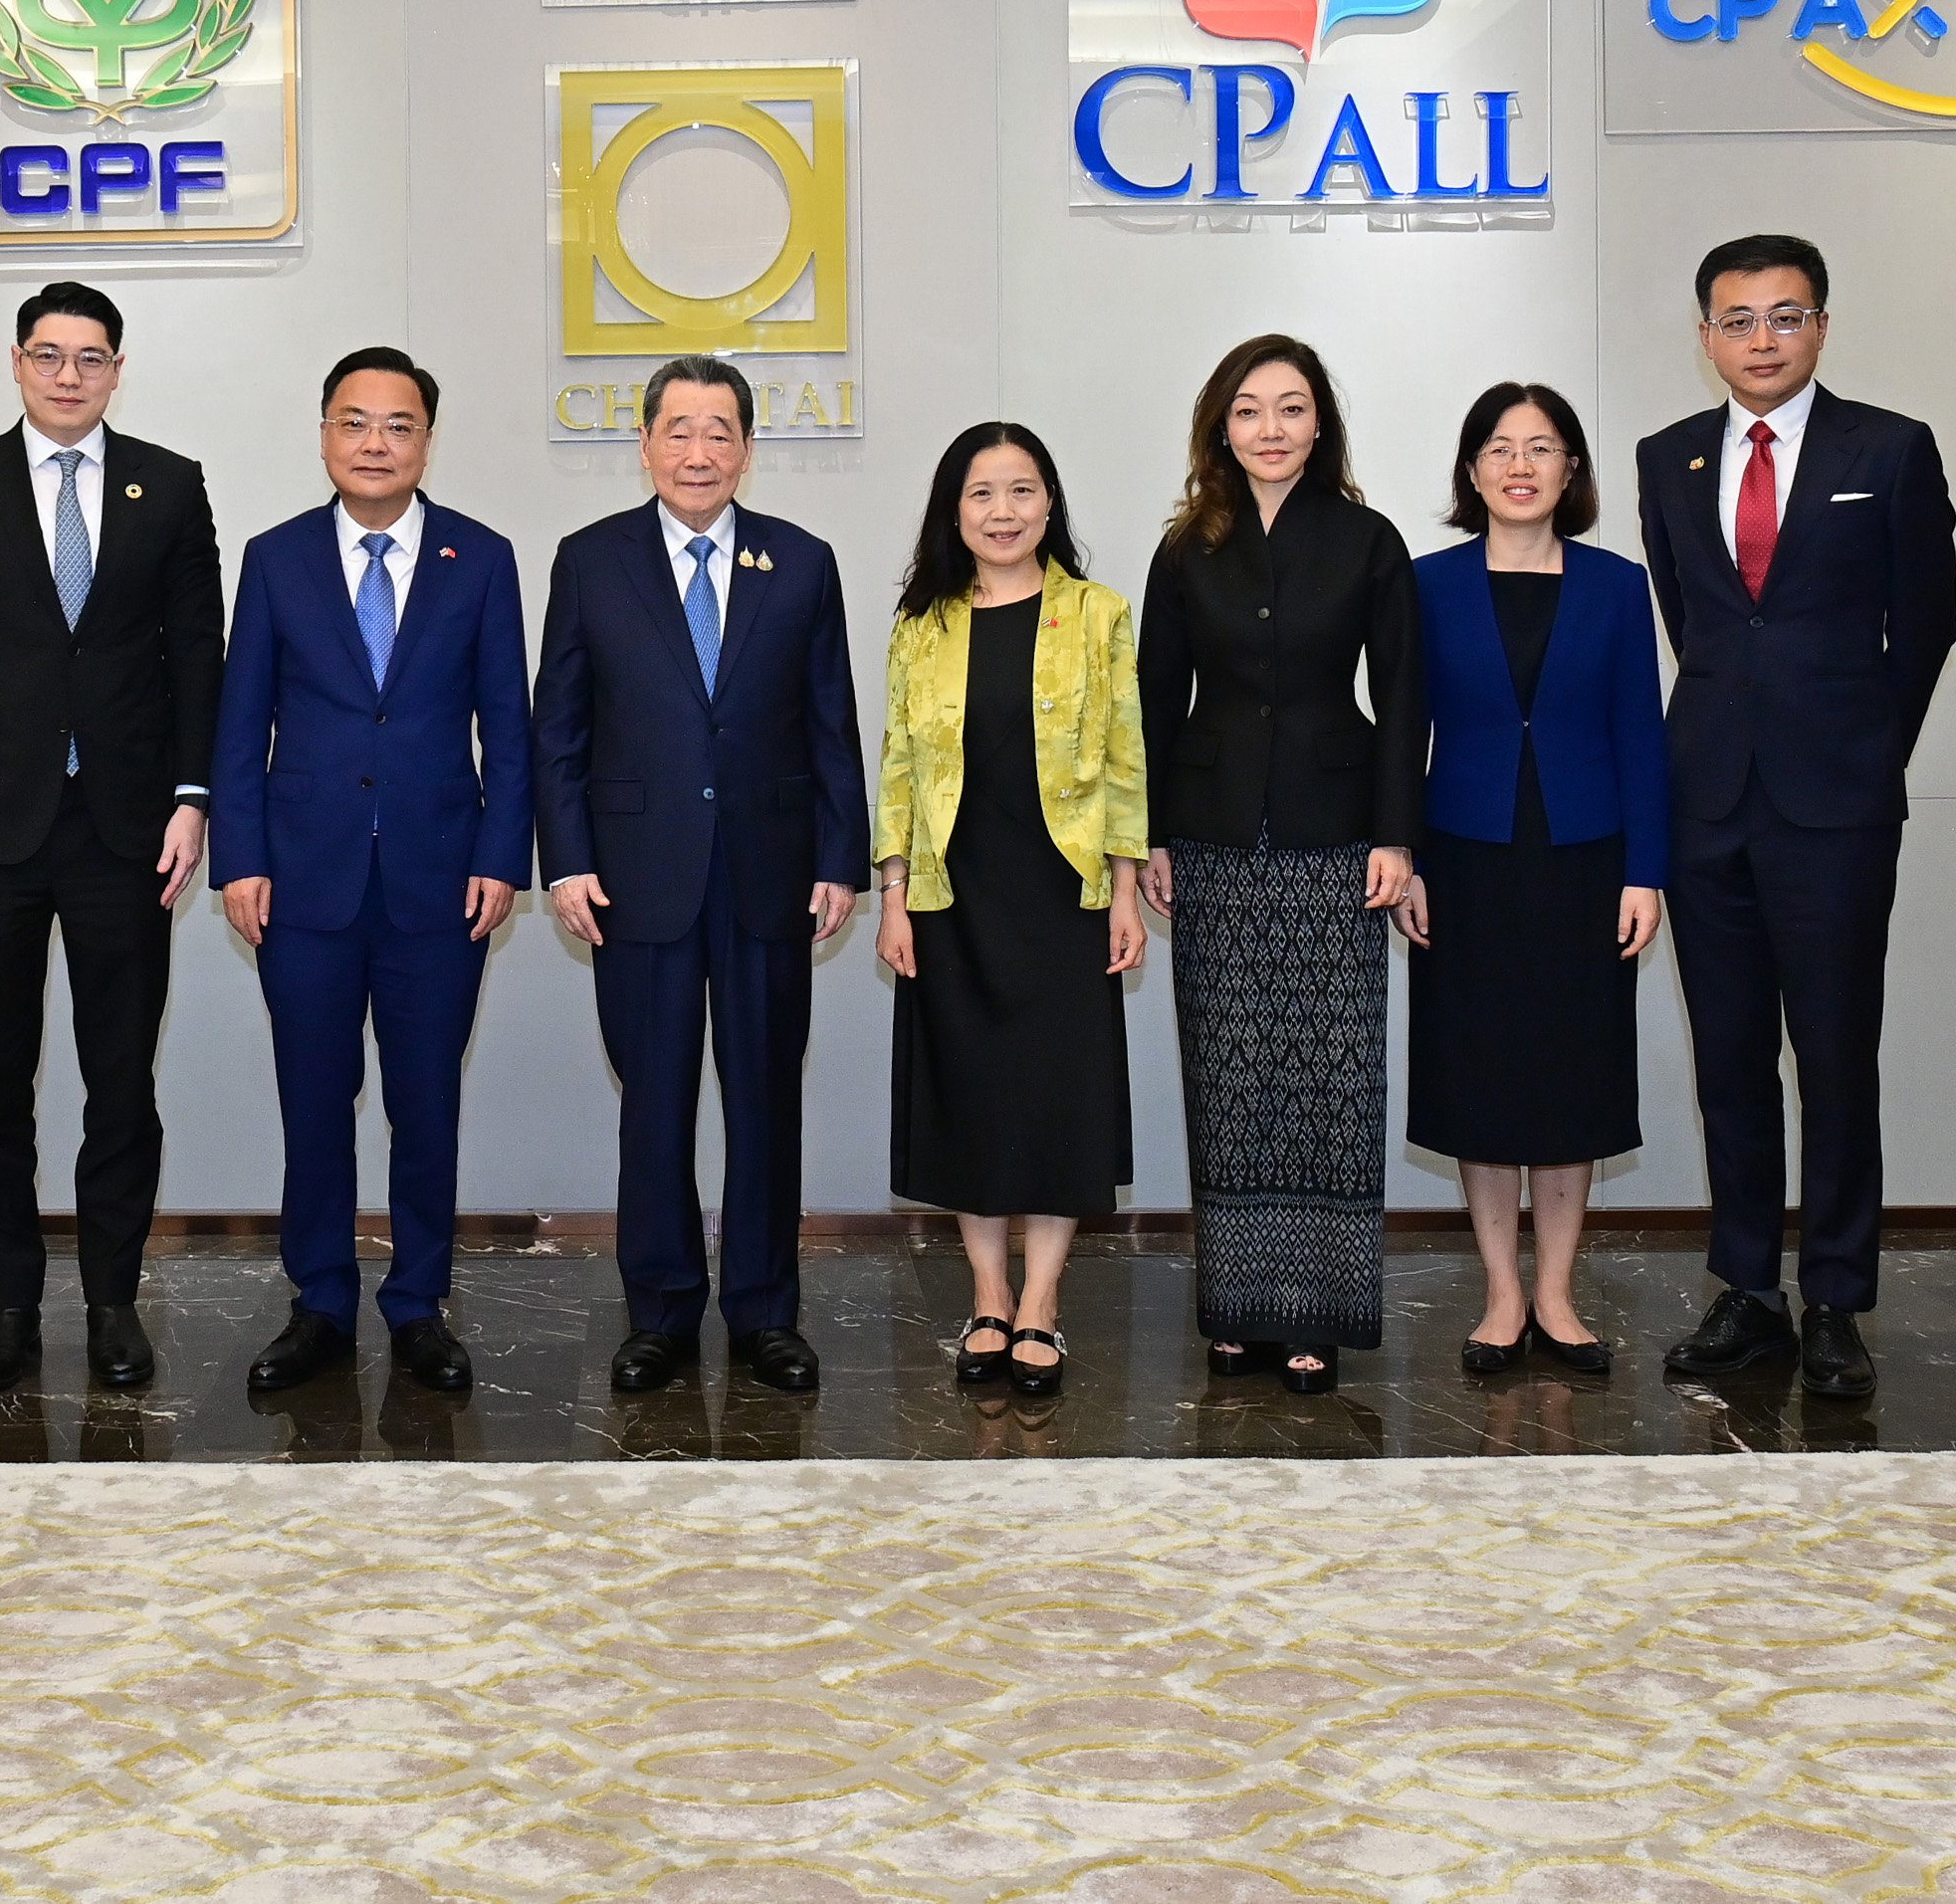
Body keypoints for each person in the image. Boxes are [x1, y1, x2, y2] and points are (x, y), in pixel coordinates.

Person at [1632, 236, 1956, 1400]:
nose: (1760, 339)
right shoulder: (1666, 458)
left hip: (1836, 806)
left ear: (1820, 326)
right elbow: (1695, 626)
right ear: (1704, 335)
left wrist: (1865, 747)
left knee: (1832, 1058)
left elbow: (1926, 624)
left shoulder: (1891, 449)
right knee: (1727, 1060)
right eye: (1737, 320)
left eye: (1784, 316)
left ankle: (1834, 1300)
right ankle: (1747, 1292)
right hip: (1705, 800)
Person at [0, 281, 223, 1395]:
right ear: (17, 362)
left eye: (90, 357)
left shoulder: (168, 483)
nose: (68, 374)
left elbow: (200, 652)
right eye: (48, 354)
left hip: (128, 830)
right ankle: (10, 1307)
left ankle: (115, 1302)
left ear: (118, 370)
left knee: (119, 1079)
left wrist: (192, 797)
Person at [535, 354, 865, 1397]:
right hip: (636, 878)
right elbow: (558, 730)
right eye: (677, 429)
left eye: (719, 431)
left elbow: (831, 722)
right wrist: (566, 858)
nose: (697, 451)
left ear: (747, 450)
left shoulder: (800, 562)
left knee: (765, 1100)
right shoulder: (590, 560)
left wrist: (840, 857)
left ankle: (765, 1311)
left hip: (771, 874)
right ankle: (661, 1311)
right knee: (654, 1102)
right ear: (643, 443)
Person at [210, 348, 532, 1397]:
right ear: (324, 436)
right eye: (354, 422)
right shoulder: (275, 558)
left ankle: (418, 1302)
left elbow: (510, 729)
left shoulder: (481, 558)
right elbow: (240, 723)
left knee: (425, 1103)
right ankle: (320, 1300)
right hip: (302, 881)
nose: (375, 442)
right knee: (314, 1100)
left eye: (399, 425)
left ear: (427, 441)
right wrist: (240, 858)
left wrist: (501, 857)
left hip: (441, 883)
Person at [1135, 335, 1419, 1391]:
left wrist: (1396, 835)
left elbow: (1404, 697)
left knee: (1330, 1071)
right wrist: (1148, 835)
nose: (1270, 428)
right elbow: (1153, 698)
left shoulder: (1367, 540)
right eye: (1249, 410)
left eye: (1291, 408)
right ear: (1221, 426)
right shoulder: (1186, 548)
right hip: (1209, 834)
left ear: (1319, 424)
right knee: (1228, 1071)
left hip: (1336, 832)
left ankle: (1318, 1313)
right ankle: (1237, 1308)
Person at [1396, 382, 1670, 1379]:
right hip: (1462, 860)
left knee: (1569, 1076)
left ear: (1570, 469)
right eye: (1500, 448)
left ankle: (1555, 1292)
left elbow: (1641, 732)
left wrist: (1646, 871)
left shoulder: (1616, 585)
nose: (1520, 465)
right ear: (1471, 470)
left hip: (1585, 860)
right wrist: (1406, 858)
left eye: (1542, 446)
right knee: (1479, 1076)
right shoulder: (1424, 584)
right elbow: (1402, 734)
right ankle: (1500, 1294)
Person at [875, 423, 1147, 1396]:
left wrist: (1124, 891)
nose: (1002, 511)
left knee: (1057, 1096)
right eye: (981, 493)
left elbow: (1124, 761)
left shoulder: (1098, 613)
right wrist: (893, 894)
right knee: (970, 1094)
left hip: (1061, 893)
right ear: (953, 512)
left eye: (1021, 490)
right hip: (951, 894)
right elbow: (898, 767)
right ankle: (988, 1295)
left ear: (1049, 503)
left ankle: (1042, 1299)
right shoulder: (923, 624)